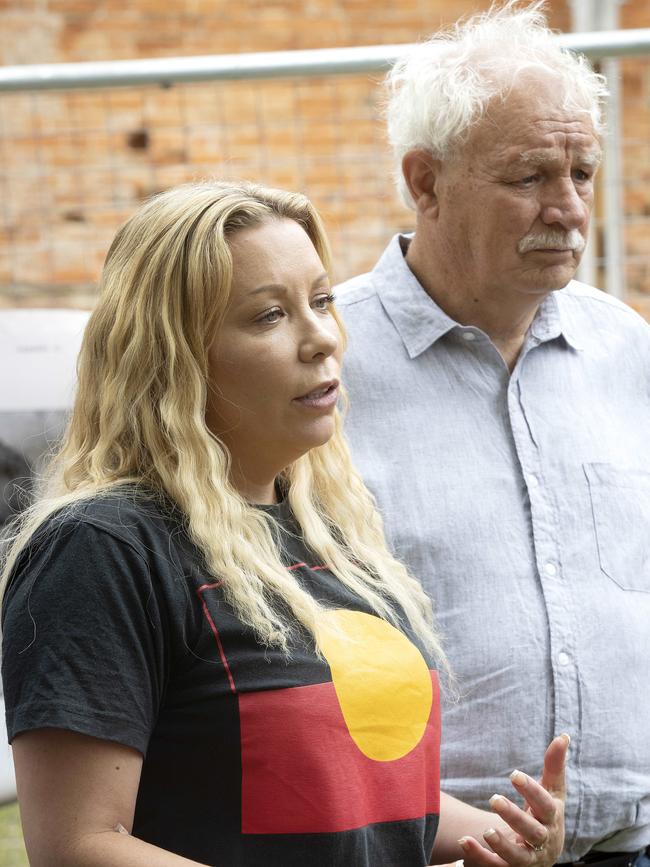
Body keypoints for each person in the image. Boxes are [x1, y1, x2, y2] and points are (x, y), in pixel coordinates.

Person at [1, 180, 566, 867]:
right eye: (270, 315)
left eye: (322, 300)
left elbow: (351, 790)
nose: (322, 337)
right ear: (175, 355)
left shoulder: (331, 532)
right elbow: (77, 846)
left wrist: (503, 836)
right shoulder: (103, 547)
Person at [336, 4, 650, 867]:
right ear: (425, 182)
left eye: (582, 173)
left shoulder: (627, 348)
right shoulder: (324, 367)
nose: (569, 208)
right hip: (430, 853)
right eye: (529, 178)